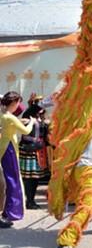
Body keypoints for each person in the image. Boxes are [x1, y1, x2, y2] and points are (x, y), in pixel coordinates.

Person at [0, 91, 35, 228]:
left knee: (10, 181)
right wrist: (31, 122)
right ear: (13, 103)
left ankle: (7, 212)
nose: (18, 106)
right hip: (9, 151)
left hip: (4, 150)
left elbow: (9, 124)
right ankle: (8, 213)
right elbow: (26, 131)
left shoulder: (3, 115)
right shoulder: (10, 118)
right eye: (17, 103)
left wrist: (20, 121)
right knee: (13, 182)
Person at [19, 98, 50, 210]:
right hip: (29, 150)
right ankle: (29, 201)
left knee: (36, 177)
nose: (41, 107)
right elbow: (32, 109)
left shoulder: (42, 120)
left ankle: (31, 200)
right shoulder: (28, 115)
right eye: (38, 103)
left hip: (40, 151)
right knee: (29, 177)